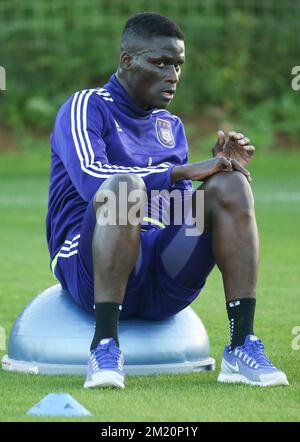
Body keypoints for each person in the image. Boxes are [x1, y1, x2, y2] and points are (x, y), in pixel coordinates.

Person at [46, 12, 288, 389]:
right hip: (91, 272)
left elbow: (178, 211)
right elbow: (94, 181)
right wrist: (182, 171)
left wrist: (213, 178)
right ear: (127, 61)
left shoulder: (169, 127)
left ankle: (242, 345)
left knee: (231, 185)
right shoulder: (86, 106)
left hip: (161, 280)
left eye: (178, 64)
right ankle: (105, 345)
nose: (172, 74)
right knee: (123, 187)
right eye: (160, 62)